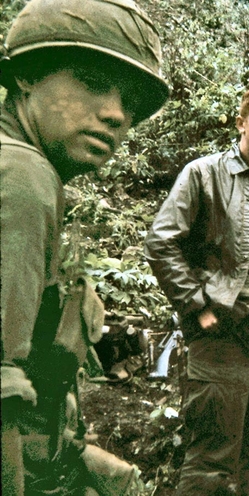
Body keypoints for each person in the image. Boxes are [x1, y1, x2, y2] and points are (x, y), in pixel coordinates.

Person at [0, 0, 169, 494]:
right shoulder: (22, 177)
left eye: (130, 101)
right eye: (94, 82)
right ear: (29, 76)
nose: (116, 114)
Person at [144, 85, 249, 496]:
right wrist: (197, 305)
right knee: (211, 459)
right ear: (241, 123)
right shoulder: (204, 174)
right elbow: (161, 242)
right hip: (224, 334)